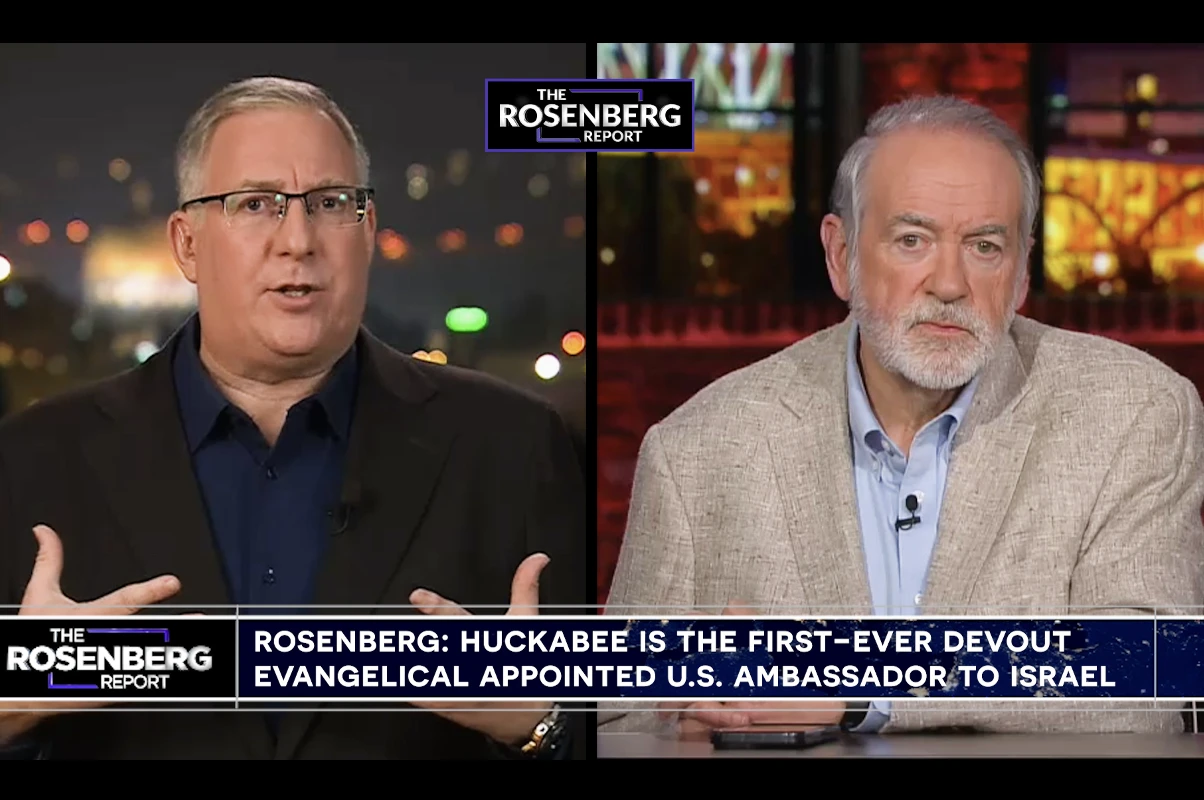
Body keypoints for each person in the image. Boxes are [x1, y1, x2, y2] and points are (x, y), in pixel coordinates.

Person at [0, 77, 585, 759]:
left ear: (368, 230)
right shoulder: (33, 460)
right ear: (187, 244)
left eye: (331, 203)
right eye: (255, 204)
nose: (298, 240)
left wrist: (542, 723)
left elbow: (608, 723)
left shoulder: (513, 446)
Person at [600, 95, 1204, 737]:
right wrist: (683, 729)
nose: (949, 283)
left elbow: (1154, 672)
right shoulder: (698, 449)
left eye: (985, 246)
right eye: (912, 240)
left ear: (1022, 271)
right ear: (841, 256)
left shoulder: (1132, 412)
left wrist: (860, 687)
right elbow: (618, 712)